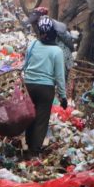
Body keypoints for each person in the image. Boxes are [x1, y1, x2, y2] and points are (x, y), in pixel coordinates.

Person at [22, 16, 68, 159]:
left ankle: (28, 145)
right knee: (41, 120)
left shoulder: (33, 44)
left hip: (29, 85)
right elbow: (59, 76)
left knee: (30, 117)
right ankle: (34, 151)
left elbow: (25, 65)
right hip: (46, 89)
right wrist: (63, 96)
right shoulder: (57, 51)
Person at [27, 7, 75, 72]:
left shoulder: (48, 24)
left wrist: (71, 48)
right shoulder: (46, 23)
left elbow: (67, 37)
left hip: (62, 51)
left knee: (63, 72)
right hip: (59, 52)